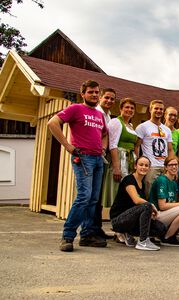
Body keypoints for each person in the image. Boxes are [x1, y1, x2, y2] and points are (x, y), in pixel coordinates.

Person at [48, 80, 108, 252]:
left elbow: (104, 133)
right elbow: (52, 123)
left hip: (98, 160)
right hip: (83, 158)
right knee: (84, 196)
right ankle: (67, 236)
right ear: (83, 94)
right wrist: (67, 146)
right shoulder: (75, 108)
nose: (95, 95)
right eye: (91, 92)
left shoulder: (99, 115)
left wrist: (103, 148)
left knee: (93, 199)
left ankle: (88, 235)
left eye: (97, 92)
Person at [110, 156, 167, 251]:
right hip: (118, 220)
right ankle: (143, 242)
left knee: (160, 228)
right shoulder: (129, 179)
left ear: (149, 168)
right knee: (147, 205)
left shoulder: (142, 183)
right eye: (141, 165)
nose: (143, 167)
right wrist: (151, 206)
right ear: (135, 166)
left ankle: (127, 233)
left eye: (146, 165)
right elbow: (136, 200)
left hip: (131, 219)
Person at [149, 156, 179, 246]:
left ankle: (163, 234)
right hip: (156, 215)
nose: (174, 167)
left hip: (166, 214)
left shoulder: (174, 183)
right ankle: (167, 238)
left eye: (176, 165)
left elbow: (171, 203)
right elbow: (162, 206)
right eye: (171, 165)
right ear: (166, 167)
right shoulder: (162, 180)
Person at [102, 98, 137, 208]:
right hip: (119, 158)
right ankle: (116, 217)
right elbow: (113, 145)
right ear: (121, 108)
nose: (129, 110)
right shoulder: (116, 122)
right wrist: (116, 167)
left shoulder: (130, 125)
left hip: (129, 159)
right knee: (117, 188)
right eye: (126, 107)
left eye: (132, 108)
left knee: (127, 188)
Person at [135, 100, 174, 195]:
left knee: (164, 194)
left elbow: (170, 149)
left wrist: (172, 164)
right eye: (156, 108)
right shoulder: (142, 127)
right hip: (151, 166)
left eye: (161, 109)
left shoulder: (167, 129)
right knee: (150, 193)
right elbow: (137, 146)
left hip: (165, 166)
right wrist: (137, 164)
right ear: (150, 109)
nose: (159, 111)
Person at [94, 87, 116, 239]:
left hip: (105, 158)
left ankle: (97, 228)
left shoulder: (109, 116)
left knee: (99, 195)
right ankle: (90, 229)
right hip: (95, 156)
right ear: (100, 97)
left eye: (112, 99)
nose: (109, 101)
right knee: (92, 196)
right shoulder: (96, 113)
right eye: (106, 97)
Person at [164, 106, 179, 185]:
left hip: (171, 166)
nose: (173, 117)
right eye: (170, 115)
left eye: (175, 116)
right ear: (165, 115)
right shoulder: (158, 129)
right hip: (157, 164)